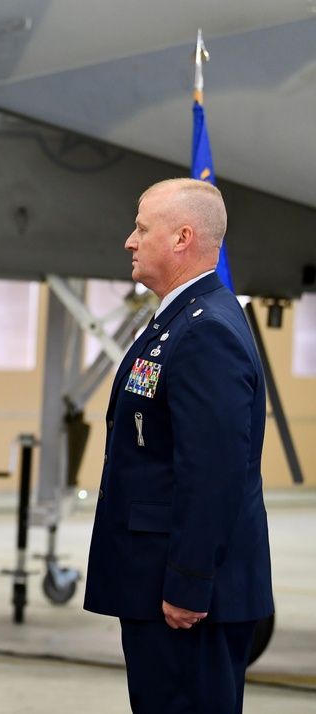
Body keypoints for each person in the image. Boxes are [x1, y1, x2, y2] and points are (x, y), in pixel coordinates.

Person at [84, 178, 273, 713]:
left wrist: (189, 583)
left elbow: (213, 472)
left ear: (182, 237)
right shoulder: (180, 319)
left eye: (142, 228)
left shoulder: (205, 329)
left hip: (187, 594)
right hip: (159, 581)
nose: (130, 240)